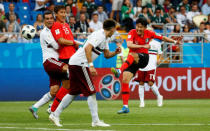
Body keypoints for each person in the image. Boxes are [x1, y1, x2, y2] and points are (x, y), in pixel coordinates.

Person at [49, 19, 120, 127]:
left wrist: (115, 52)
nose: (115, 31)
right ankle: (95, 121)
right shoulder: (99, 35)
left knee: (73, 92)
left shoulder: (105, 38)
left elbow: (106, 55)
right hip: (80, 64)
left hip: (75, 63)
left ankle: (55, 114)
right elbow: (87, 48)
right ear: (111, 29)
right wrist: (91, 65)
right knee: (91, 92)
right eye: (115, 29)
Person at [111, 17, 182, 114]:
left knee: (132, 55)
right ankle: (125, 106)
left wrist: (174, 42)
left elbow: (163, 37)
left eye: (141, 27)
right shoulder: (132, 32)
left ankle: (119, 70)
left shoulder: (150, 33)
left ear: (145, 28)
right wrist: (143, 46)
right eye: (137, 26)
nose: (138, 29)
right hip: (132, 60)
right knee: (125, 79)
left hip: (144, 58)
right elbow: (129, 45)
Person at [29, 11, 69, 119]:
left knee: (54, 90)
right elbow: (57, 46)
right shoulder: (45, 32)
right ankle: (53, 106)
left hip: (55, 64)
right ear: (44, 21)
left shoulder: (55, 30)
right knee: (68, 69)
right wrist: (66, 41)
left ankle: (35, 107)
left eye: (51, 18)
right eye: (47, 19)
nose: (50, 20)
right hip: (50, 61)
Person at [50, 5, 80, 113]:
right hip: (65, 58)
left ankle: (53, 108)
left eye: (64, 12)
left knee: (69, 86)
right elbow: (61, 40)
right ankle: (53, 108)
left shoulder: (66, 25)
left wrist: (76, 46)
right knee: (67, 86)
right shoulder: (56, 25)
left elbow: (70, 39)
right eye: (61, 12)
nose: (63, 14)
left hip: (73, 57)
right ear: (56, 14)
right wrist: (73, 42)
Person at [134, 39, 163, 108]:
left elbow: (161, 53)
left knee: (150, 83)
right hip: (142, 65)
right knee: (141, 83)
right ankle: (142, 102)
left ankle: (159, 96)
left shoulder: (157, 43)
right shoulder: (141, 42)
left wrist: (159, 59)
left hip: (151, 66)